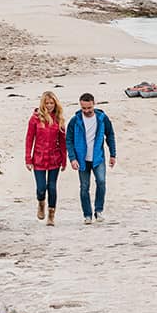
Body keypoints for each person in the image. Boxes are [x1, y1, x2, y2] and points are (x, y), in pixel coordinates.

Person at [66, 92, 116, 224]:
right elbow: (69, 140)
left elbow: (110, 135)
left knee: (101, 182)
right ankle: (87, 215)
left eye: (89, 108)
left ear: (94, 104)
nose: (87, 111)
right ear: (80, 106)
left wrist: (113, 154)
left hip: (97, 157)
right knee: (84, 187)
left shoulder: (102, 118)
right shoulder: (75, 121)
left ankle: (98, 211)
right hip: (81, 159)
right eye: (84, 108)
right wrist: (72, 158)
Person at [24, 91, 67, 226]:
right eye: (47, 103)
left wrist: (64, 159)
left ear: (55, 103)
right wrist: (28, 158)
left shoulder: (58, 119)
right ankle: (41, 203)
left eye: (51, 103)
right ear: (43, 104)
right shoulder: (35, 119)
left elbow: (63, 141)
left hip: (54, 158)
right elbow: (29, 139)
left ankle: (51, 214)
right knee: (41, 187)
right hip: (39, 158)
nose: (49, 106)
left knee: (52, 187)